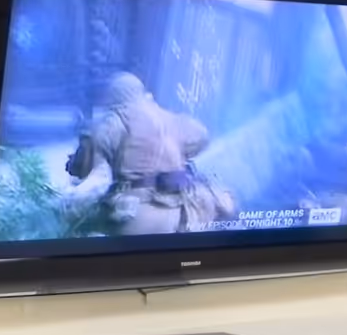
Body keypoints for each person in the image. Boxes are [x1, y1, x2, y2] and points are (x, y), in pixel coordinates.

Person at [66, 72, 236, 234]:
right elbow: (202, 136)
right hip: (176, 215)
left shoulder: (112, 123)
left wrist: (67, 204)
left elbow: (96, 179)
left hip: (132, 220)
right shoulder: (171, 119)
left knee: (80, 226)